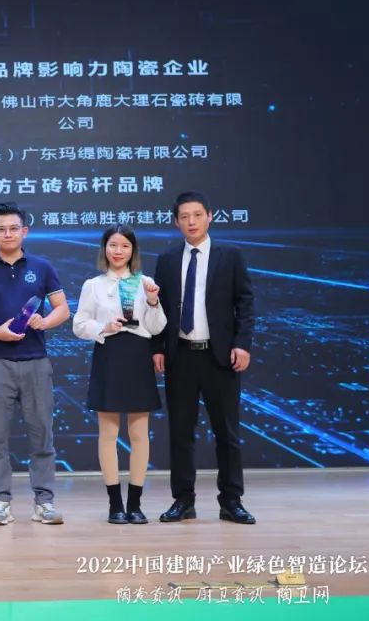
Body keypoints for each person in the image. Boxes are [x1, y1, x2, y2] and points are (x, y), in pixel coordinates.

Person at [0, 201, 70, 526]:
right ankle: (0, 502)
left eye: (13, 228)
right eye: (1, 229)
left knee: (42, 435)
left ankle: (44, 502)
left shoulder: (42, 266)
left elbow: (62, 308)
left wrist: (44, 322)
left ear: (25, 231)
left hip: (36, 361)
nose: (7, 234)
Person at [152, 191, 256, 525]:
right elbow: (159, 308)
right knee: (180, 433)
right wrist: (157, 347)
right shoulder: (167, 259)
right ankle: (183, 501)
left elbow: (245, 303)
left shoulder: (230, 256)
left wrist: (242, 344)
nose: (192, 222)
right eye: (184, 217)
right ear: (176, 222)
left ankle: (232, 501)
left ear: (210, 216)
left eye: (197, 215)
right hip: (180, 356)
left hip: (220, 356)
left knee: (227, 433)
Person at [72, 224, 166, 524]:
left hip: (138, 357)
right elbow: (79, 325)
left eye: (125, 246)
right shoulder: (93, 285)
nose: (118, 251)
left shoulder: (145, 283)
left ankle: (135, 504)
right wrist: (104, 327)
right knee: (109, 434)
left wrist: (153, 301)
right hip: (109, 354)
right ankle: (115, 504)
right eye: (113, 245)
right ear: (104, 249)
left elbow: (157, 327)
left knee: (139, 434)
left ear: (133, 250)